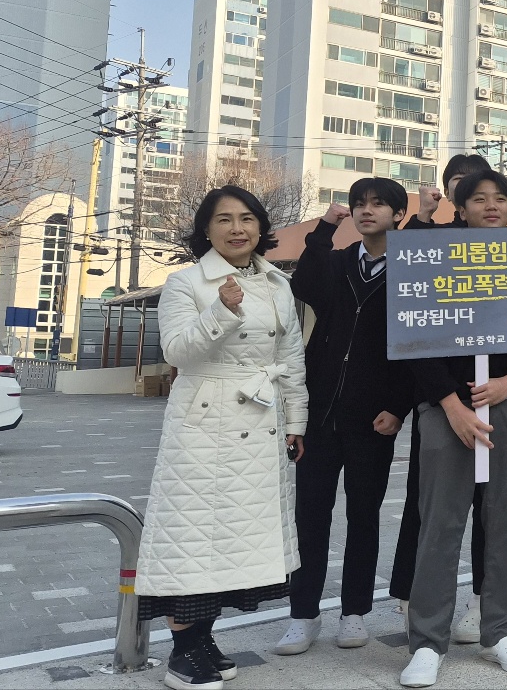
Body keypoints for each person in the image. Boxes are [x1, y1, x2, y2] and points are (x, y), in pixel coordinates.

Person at [137, 186, 308, 690]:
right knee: (194, 537)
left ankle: (204, 640)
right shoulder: (186, 282)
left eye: (248, 219)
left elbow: (292, 358)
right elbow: (178, 352)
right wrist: (222, 311)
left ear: (261, 228)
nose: (238, 229)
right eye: (225, 220)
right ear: (205, 230)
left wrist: (297, 420)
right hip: (202, 426)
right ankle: (182, 651)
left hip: (262, 420)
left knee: (235, 541)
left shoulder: (279, 283)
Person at [399, 170, 507, 688]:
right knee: (440, 524)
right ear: (460, 208)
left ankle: (500, 632)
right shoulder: (430, 254)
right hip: (449, 408)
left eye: (501, 199)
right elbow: (412, 334)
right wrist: (450, 403)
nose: (492, 206)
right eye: (479, 199)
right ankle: (426, 642)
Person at [276, 178, 419, 657]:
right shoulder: (337, 262)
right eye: (359, 204)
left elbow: (414, 349)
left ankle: (354, 611)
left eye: (378, 204)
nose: (366, 211)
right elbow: (304, 284)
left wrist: (397, 407)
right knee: (310, 517)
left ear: (398, 213)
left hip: (373, 419)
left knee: (364, 517)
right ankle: (303, 615)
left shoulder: (412, 270)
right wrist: (323, 230)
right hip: (320, 414)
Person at [390, 152, 492, 644]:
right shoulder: (430, 238)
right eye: (461, 184)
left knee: (490, 507)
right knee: (427, 506)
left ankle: (481, 603)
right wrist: (423, 216)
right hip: (437, 397)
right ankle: (416, 598)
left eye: (482, 187)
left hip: (493, 397)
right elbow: (402, 280)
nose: (472, 193)